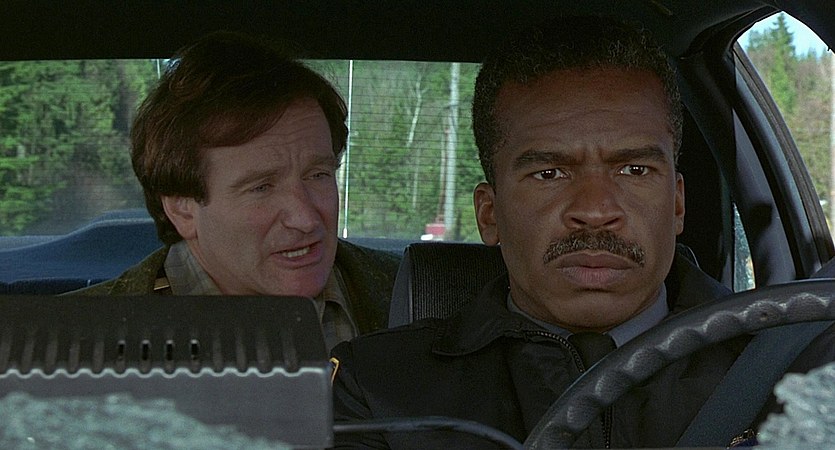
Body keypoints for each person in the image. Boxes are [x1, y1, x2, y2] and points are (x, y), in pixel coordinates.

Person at [330, 16, 766, 448]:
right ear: (489, 214)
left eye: (634, 170)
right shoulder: (377, 390)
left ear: (677, 205)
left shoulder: (778, 365)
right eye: (549, 173)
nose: (595, 211)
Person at [73, 32, 400, 351]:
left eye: (318, 175)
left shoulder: (417, 298)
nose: (305, 219)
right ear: (182, 208)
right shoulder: (75, 337)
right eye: (262, 187)